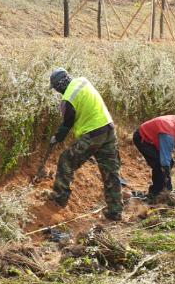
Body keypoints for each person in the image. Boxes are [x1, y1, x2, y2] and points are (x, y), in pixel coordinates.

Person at [47, 68, 124, 221]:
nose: (57, 91)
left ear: (60, 85)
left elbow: (67, 124)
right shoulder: (83, 80)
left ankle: (59, 198)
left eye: (56, 88)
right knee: (110, 171)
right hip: (109, 129)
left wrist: (56, 138)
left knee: (66, 160)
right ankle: (115, 211)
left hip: (93, 134)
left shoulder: (67, 99)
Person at [133, 115, 175, 202]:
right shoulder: (168, 135)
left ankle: (159, 190)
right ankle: (155, 193)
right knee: (158, 164)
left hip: (154, 137)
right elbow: (164, 163)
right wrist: (169, 189)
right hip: (142, 138)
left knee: (169, 163)